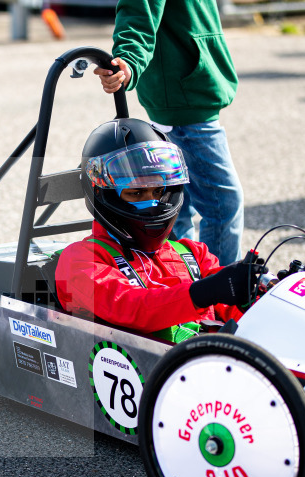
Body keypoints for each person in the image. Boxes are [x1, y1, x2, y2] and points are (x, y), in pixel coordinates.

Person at [55, 118, 262, 342]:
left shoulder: (192, 253)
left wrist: (254, 295)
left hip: (208, 360)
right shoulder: (81, 260)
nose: (153, 205)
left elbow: (230, 304)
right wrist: (203, 293)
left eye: (158, 191)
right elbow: (132, 307)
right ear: (103, 193)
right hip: (151, 368)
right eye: (135, 194)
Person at [93, 0, 244, 264]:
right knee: (223, 205)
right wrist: (128, 61)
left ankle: (183, 279)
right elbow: (138, 16)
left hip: (188, 93)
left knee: (175, 206)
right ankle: (222, 293)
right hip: (185, 100)